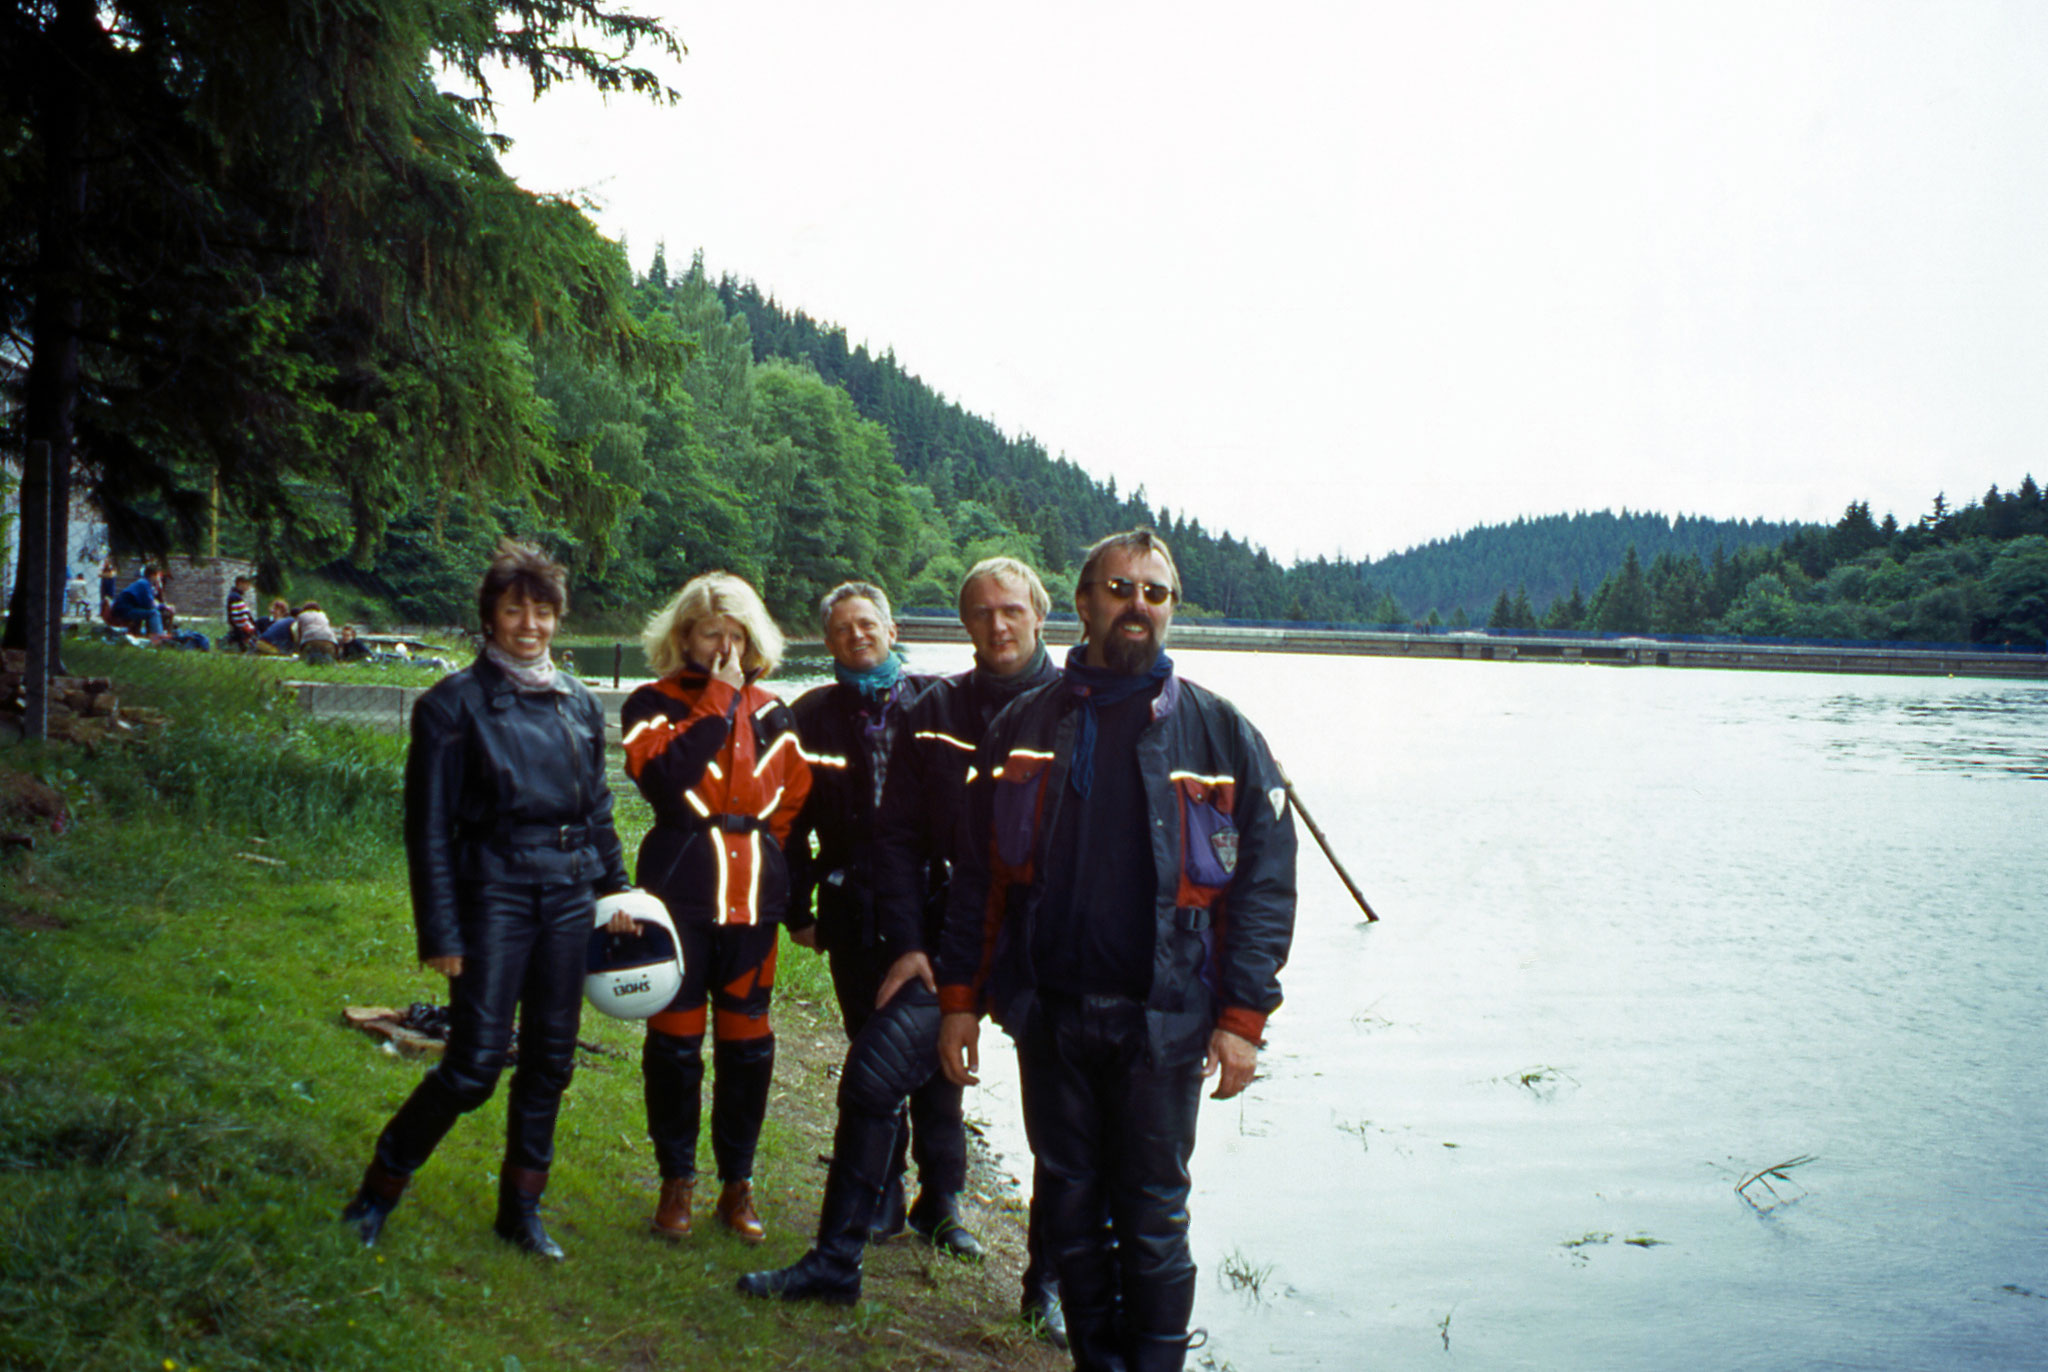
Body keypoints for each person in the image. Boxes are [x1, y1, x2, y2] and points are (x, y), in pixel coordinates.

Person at [936, 530, 1298, 1372]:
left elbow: (1266, 891)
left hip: (1164, 1023)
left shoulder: (1221, 734)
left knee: (1154, 1217)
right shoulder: (1024, 727)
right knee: (1068, 1202)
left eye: (1156, 593)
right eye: (1120, 588)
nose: (1139, 605)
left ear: (1171, 608)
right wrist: (961, 1000)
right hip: (1052, 1013)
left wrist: (1243, 1018)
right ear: (1086, 602)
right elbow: (979, 881)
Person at [739, 558, 1066, 1342]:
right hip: (951, 929)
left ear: (1039, 616)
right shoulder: (935, 705)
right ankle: (835, 1263)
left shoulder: (1073, 707)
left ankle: (1046, 1286)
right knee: (874, 1073)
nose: (998, 624)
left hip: (1048, 939)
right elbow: (896, 835)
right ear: (963, 625)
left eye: (1011, 610)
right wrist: (912, 945)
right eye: (981, 612)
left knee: (1061, 1123)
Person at [339, 540, 629, 1259]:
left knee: (551, 1061)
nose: (529, 623)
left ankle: (521, 1213)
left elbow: (597, 808)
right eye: (513, 609)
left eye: (542, 609)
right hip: (492, 894)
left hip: (568, 896)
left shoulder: (581, 706)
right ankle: (377, 1192)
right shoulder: (451, 706)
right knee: (472, 1067)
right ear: (490, 618)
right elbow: (427, 829)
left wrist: (619, 892)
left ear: (558, 618)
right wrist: (441, 930)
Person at [619, 572, 811, 1243]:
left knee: (748, 1047)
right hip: (680, 899)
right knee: (673, 1047)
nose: (725, 646)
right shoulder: (651, 702)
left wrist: (784, 879)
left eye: (737, 635)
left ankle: (738, 1184)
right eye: (711, 634)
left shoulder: (777, 711)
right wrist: (718, 702)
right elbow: (664, 782)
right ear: (684, 637)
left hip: (753, 905)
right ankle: (676, 1179)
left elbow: (790, 803)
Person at [786, 582, 975, 1255]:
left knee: (940, 1054)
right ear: (828, 641)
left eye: (867, 624)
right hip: (852, 911)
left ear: (892, 629)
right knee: (871, 1050)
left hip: (936, 910)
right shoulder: (809, 716)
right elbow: (789, 824)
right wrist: (796, 909)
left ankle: (944, 1198)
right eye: (841, 630)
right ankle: (882, 1188)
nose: (856, 637)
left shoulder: (943, 702)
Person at [108, 566, 171, 637]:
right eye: (158, 575)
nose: (159, 578)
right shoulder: (144, 584)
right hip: (125, 611)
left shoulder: (142, 583)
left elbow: (146, 603)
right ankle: (158, 638)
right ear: (153, 575)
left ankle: (149, 635)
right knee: (154, 613)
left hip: (122, 609)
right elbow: (149, 605)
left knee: (149, 612)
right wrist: (163, 606)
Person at [225, 576, 258, 651]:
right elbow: (239, 617)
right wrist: (249, 627)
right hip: (241, 629)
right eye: (247, 584)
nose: (248, 586)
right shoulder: (236, 597)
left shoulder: (235, 596)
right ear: (240, 583)